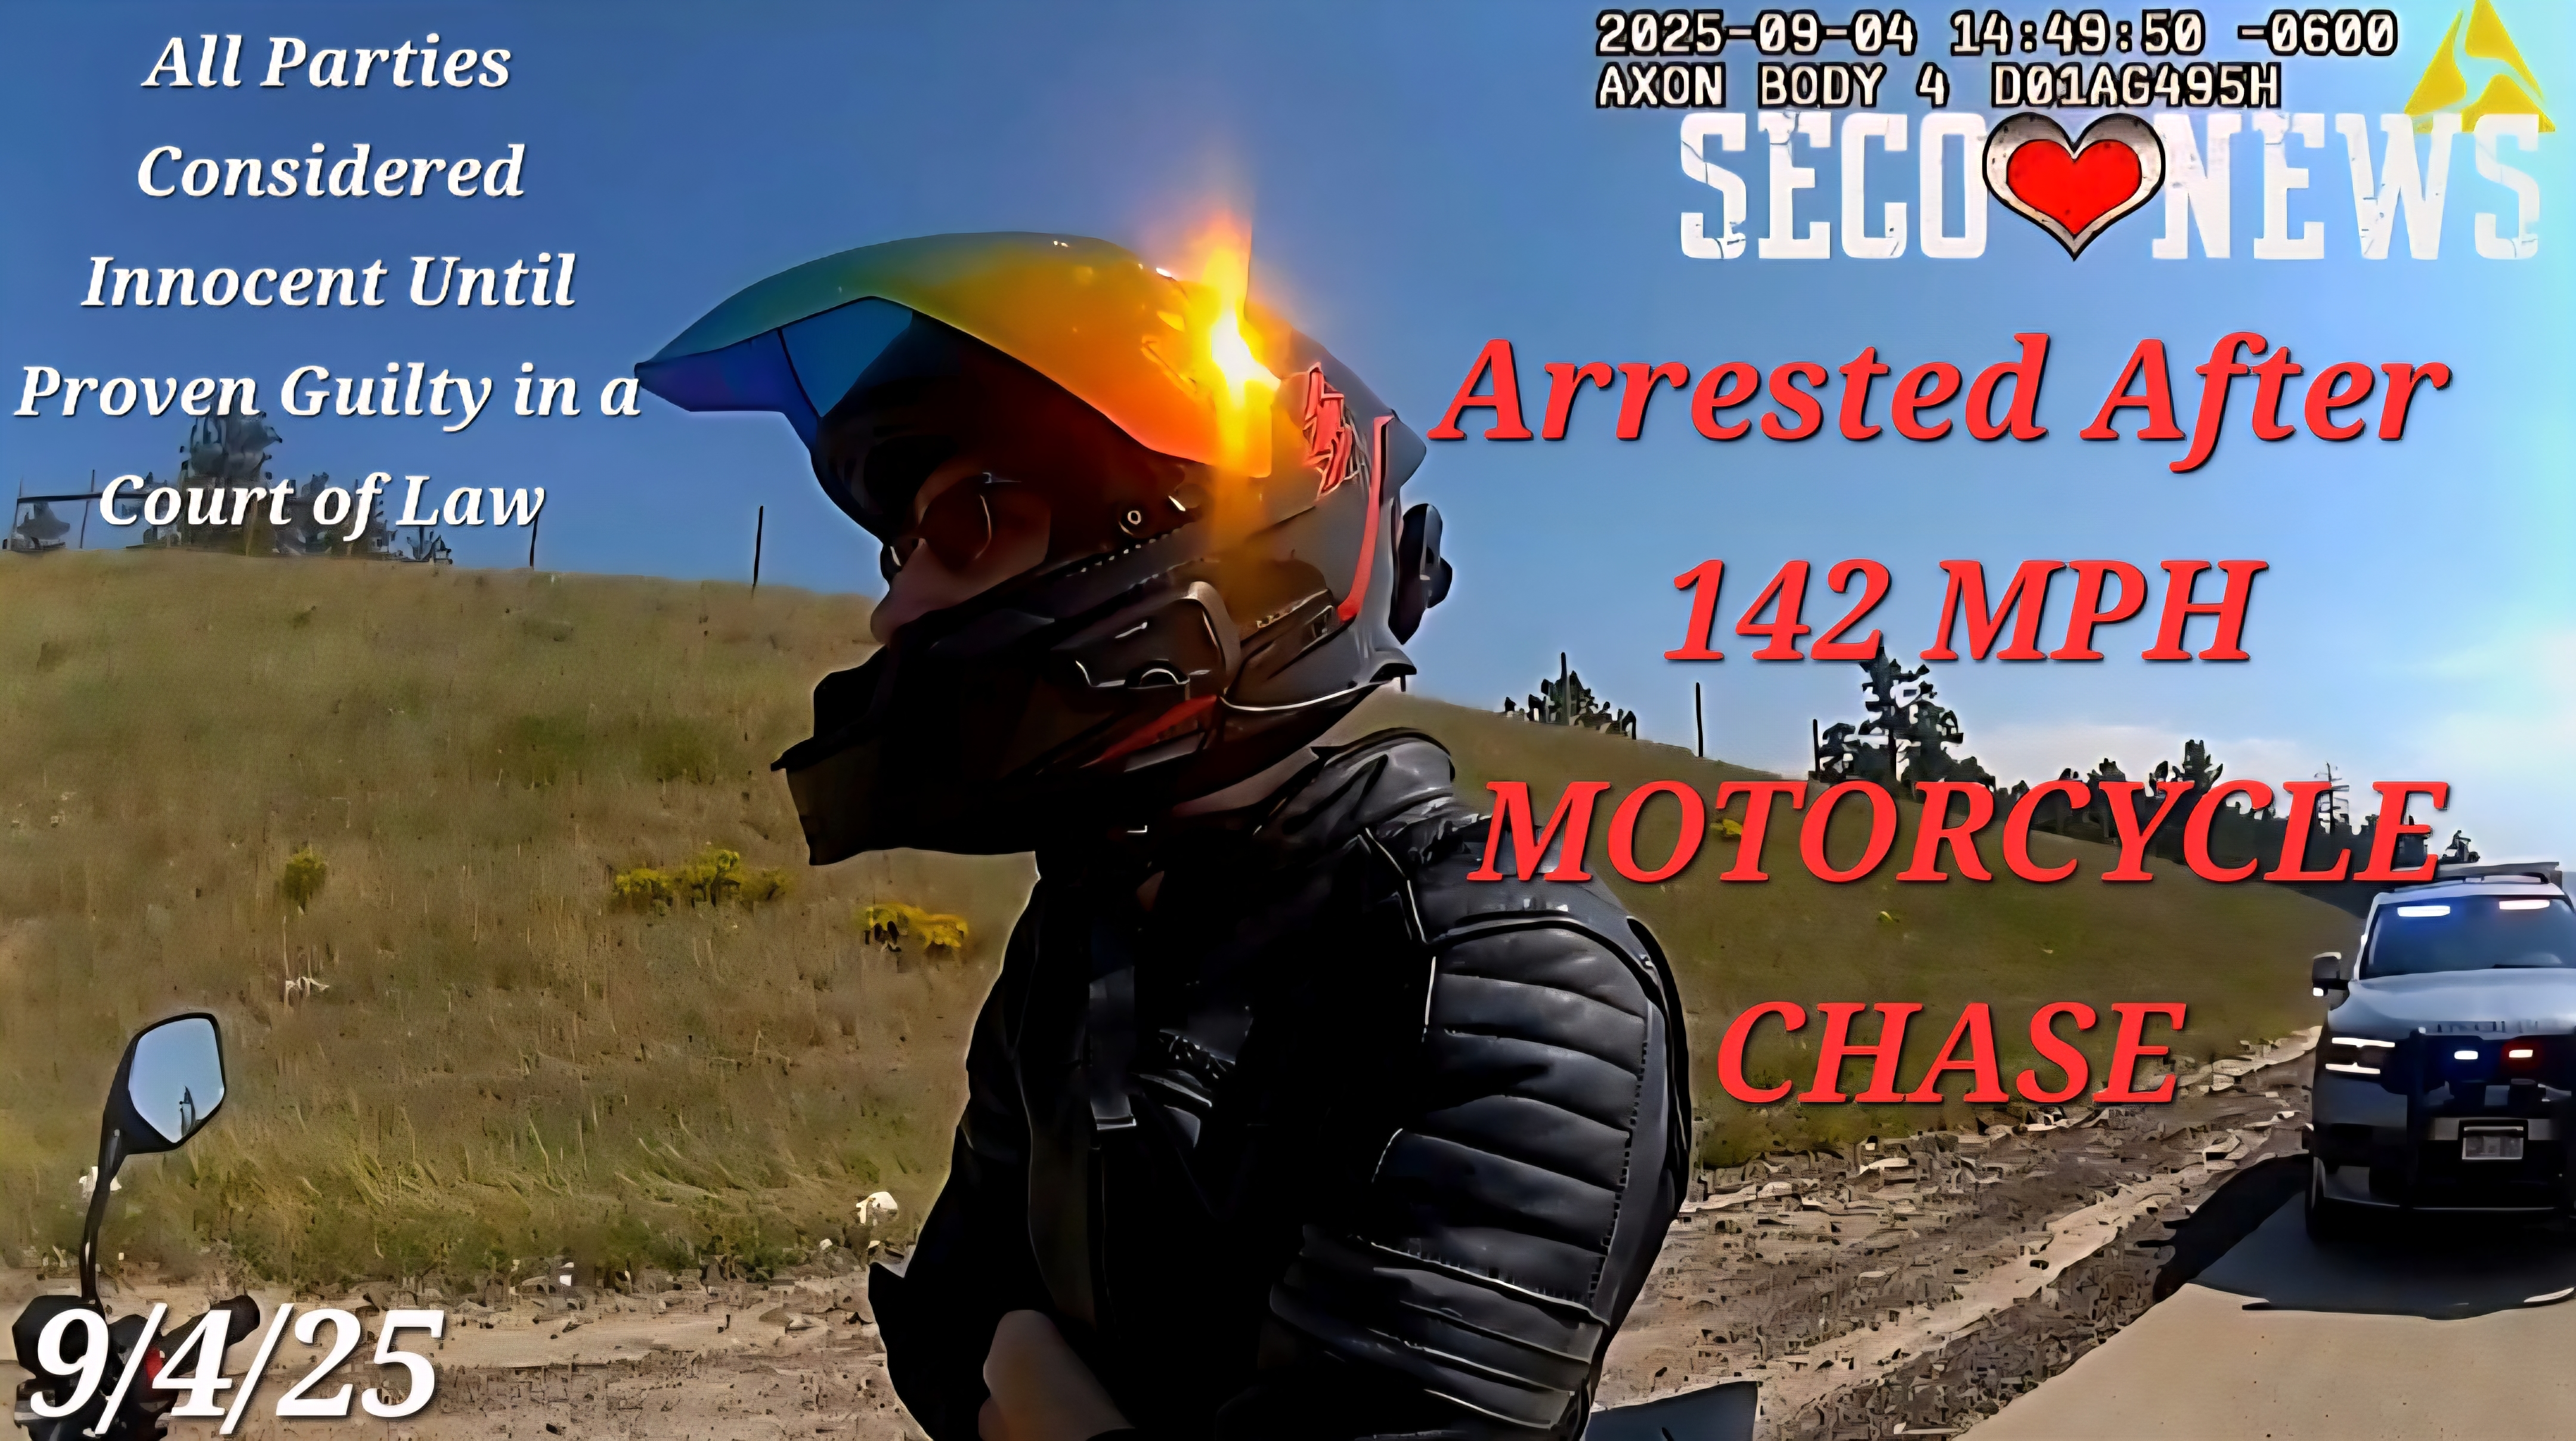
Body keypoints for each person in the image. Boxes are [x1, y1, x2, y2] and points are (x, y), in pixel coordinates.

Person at [637, 233, 1689, 1439]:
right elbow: (949, 1324)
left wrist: (1044, 1396)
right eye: (899, 550)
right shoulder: (1086, 927)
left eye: (969, 526)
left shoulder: (1511, 971)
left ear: (1221, 553)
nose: (894, 608)